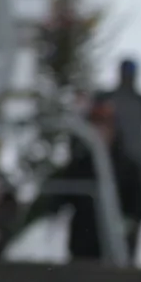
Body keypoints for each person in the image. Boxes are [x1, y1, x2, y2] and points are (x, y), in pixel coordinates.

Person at [24, 100, 118, 262]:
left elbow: (137, 207)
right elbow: (54, 201)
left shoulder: (127, 168)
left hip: (115, 249)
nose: (100, 132)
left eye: (104, 125)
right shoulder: (80, 167)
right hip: (82, 248)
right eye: (96, 125)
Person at [96, 58, 141, 260]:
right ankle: (110, 251)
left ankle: (129, 253)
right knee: (111, 206)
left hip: (135, 162)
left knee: (134, 211)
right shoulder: (106, 97)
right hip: (110, 163)